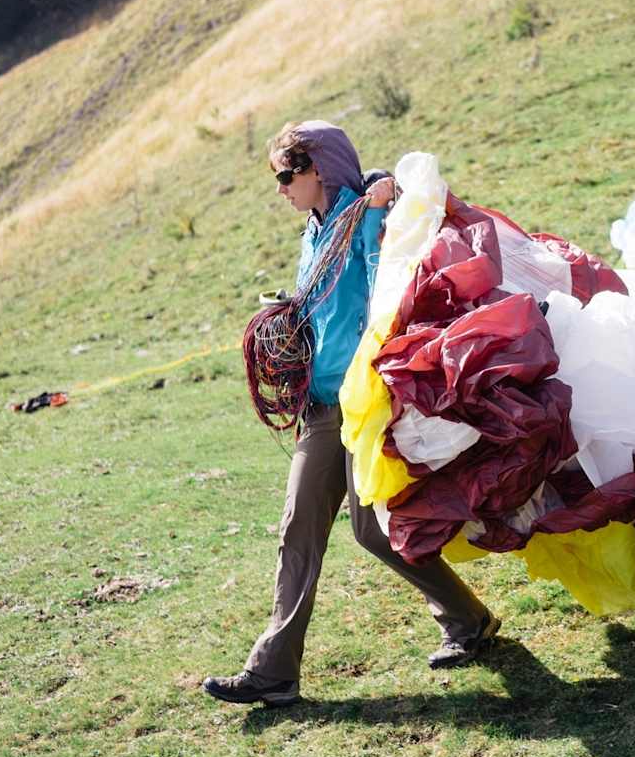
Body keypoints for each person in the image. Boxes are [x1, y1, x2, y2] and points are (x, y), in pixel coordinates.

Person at [203, 120, 499, 708]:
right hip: (321, 406)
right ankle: (274, 672)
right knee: (298, 528)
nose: (282, 189)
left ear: (319, 169)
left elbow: (386, 292)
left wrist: (380, 186)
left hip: (362, 404)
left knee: (373, 532)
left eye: (289, 175)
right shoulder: (312, 235)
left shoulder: (366, 213)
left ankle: (469, 620)